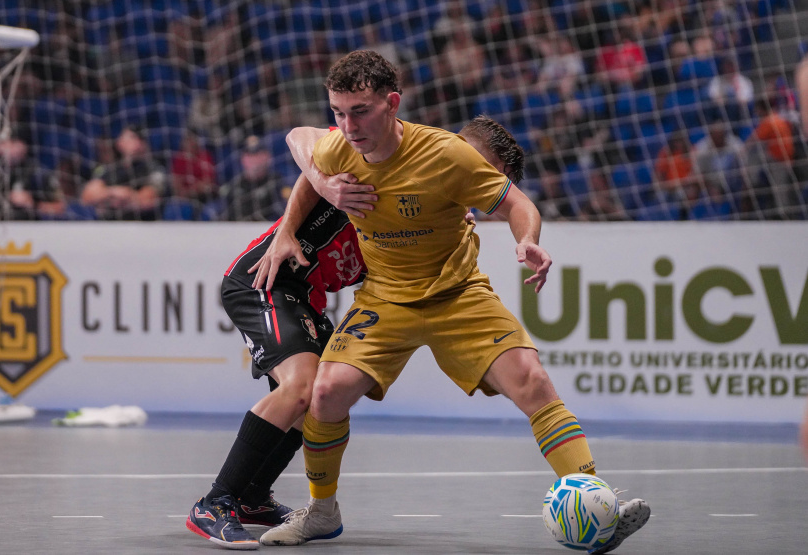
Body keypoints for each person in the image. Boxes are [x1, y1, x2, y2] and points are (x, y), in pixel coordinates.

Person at [255, 50, 649, 553]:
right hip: (386, 300)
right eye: (338, 112)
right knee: (327, 393)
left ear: (392, 104)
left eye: (360, 111)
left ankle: (596, 499)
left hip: (457, 296)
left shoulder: (445, 154)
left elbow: (517, 203)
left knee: (532, 380)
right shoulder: (338, 151)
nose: (348, 125)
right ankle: (322, 511)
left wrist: (526, 240)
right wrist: (306, 209)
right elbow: (302, 154)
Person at [186, 116, 529, 550]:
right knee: (302, 386)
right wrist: (318, 192)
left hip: (308, 296)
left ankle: (253, 496)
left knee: (325, 392)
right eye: (486, 170)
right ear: (459, 149)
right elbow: (301, 138)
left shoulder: (443, 220)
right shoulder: (384, 156)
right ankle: (215, 502)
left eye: (493, 183)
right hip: (267, 280)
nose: (481, 187)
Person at [79, 125, 168, 220]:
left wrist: (120, 196)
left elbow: (147, 200)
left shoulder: (154, 169)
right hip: (108, 225)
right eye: (130, 137)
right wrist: (114, 192)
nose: (135, 142)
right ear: (119, 142)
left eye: (138, 138)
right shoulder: (109, 169)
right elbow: (87, 197)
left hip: (144, 225)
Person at [213, 135, 290, 222]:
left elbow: (284, 210)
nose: (254, 160)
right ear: (243, 159)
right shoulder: (235, 184)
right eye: (250, 155)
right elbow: (224, 214)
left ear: (267, 157)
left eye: (258, 154)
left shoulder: (277, 181)